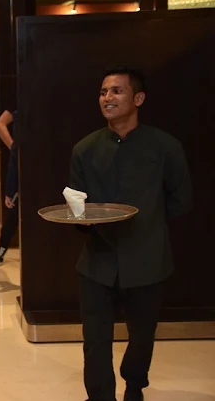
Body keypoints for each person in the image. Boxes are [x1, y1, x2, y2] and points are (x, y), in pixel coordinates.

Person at [69, 67, 192, 401]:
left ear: (138, 98)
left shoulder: (165, 147)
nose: (107, 98)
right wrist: (82, 219)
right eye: (103, 92)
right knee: (95, 339)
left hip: (147, 258)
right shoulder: (85, 149)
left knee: (142, 336)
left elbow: (181, 200)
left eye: (117, 91)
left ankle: (135, 386)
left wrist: (149, 221)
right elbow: (76, 203)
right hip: (98, 261)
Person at [0, 110, 18, 265]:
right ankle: (2, 246)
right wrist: (14, 147)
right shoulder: (18, 107)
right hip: (21, 161)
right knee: (13, 213)